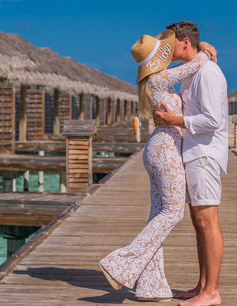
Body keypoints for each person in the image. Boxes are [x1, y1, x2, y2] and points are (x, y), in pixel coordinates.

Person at [98, 28, 215, 302]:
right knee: (173, 213)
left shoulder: (152, 80)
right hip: (165, 150)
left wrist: (200, 45)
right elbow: (197, 62)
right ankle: (121, 262)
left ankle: (152, 285)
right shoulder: (162, 78)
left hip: (157, 149)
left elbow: (186, 64)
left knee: (158, 215)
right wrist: (203, 45)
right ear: (157, 60)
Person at [154, 21, 228, 306]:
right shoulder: (195, 69)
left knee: (207, 221)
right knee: (199, 222)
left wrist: (173, 121)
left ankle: (212, 292)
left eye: (170, 42)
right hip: (194, 153)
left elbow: (212, 120)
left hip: (205, 154)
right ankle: (203, 285)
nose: (165, 48)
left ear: (184, 42)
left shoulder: (207, 72)